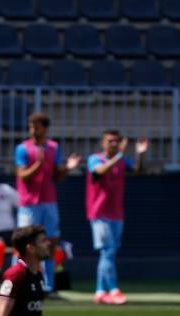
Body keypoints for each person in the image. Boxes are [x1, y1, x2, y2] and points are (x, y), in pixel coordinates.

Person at [15, 112, 83, 295]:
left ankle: (48, 286)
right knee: (24, 245)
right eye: (30, 127)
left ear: (44, 129)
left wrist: (68, 167)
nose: (32, 130)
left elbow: (57, 175)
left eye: (36, 127)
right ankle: (19, 283)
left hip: (49, 202)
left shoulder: (54, 147)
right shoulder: (23, 148)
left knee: (50, 244)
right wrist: (38, 163)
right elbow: (22, 175)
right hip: (28, 203)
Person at [86, 130, 148, 305]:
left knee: (109, 254)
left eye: (116, 141)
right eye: (110, 141)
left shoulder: (122, 161)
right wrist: (120, 155)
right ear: (103, 143)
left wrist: (140, 155)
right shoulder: (95, 159)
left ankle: (99, 291)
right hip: (99, 213)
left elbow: (137, 171)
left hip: (116, 213)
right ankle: (114, 290)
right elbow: (100, 171)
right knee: (108, 251)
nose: (113, 144)